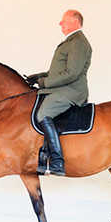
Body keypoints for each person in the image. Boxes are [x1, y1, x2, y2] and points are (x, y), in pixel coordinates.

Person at [26, 9, 92, 176]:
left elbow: (72, 73)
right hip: (63, 86)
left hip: (72, 90)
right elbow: (57, 71)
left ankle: (57, 161)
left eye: (64, 20)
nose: (60, 23)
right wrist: (38, 77)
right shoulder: (70, 41)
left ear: (75, 23)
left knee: (44, 112)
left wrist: (45, 83)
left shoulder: (78, 42)